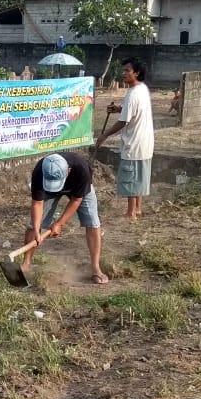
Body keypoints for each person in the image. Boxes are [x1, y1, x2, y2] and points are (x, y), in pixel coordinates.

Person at [22, 152, 108, 284]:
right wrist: (36, 228)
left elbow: (76, 200)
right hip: (49, 190)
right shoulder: (40, 171)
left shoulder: (81, 169)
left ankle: (96, 268)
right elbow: (37, 203)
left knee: (93, 223)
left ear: (67, 172)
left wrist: (59, 223)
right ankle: (26, 264)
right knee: (32, 226)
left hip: (78, 188)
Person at [96, 58, 154, 221]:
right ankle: (137, 208)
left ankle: (130, 213)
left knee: (130, 178)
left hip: (135, 143)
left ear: (136, 73)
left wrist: (104, 135)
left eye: (127, 70)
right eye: (124, 70)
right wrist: (118, 109)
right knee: (138, 177)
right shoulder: (142, 89)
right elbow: (131, 111)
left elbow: (123, 121)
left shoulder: (133, 93)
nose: (124, 73)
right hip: (144, 141)